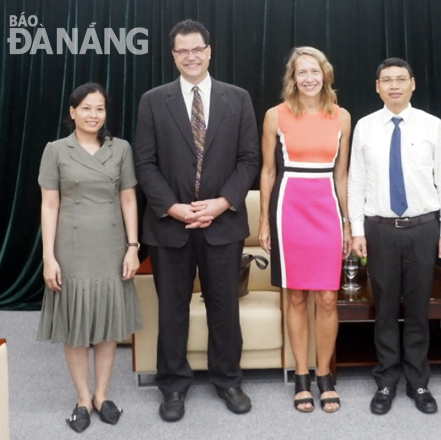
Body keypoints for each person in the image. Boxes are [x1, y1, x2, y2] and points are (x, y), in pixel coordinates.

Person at [134, 19, 260, 421]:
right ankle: (172, 386)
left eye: (197, 49)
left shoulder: (237, 98)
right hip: (170, 225)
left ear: (209, 51)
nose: (190, 56)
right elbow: (145, 162)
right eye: (181, 51)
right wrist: (172, 207)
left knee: (224, 308)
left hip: (222, 223)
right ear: (173, 56)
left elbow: (249, 159)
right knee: (171, 309)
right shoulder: (153, 100)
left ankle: (228, 380)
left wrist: (223, 202)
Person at [348, 58, 441, 415]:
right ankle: (385, 381)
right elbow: (356, 182)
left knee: (417, 308)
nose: (394, 85)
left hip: (423, 229)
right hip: (379, 230)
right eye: (386, 80)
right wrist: (358, 230)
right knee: (384, 310)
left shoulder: (432, 125)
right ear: (377, 86)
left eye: (400, 79)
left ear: (412, 84)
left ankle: (418, 381)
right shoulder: (364, 127)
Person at [37, 82, 142, 433]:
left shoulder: (121, 149)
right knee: (76, 327)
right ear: (72, 112)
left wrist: (132, 246)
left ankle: (102, 394)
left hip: (112, 246)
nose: (93, 115)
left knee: (109, 324)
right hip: (72, 247)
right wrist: (48, 257)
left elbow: (128, 198)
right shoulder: (55, 150)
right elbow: (50, 205)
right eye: (86, 108)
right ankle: (82, 399)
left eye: (99, 108)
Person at [259, 46, 351, 413]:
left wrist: (348, 223)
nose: (309, 78)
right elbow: (267, 171)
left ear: (325, 74)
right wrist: (264, 221)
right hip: (289, 206)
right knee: (296, 296)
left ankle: (324, 375)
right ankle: (301, 375)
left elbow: (342, 175)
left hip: (326, 206)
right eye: (302, 73)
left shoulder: (342, 116)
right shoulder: (275, 115)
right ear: (293, 78)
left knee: (328, 298)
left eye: (314, 71)